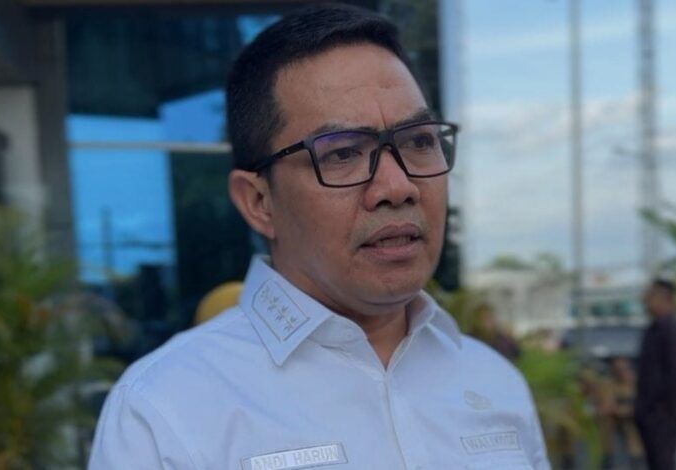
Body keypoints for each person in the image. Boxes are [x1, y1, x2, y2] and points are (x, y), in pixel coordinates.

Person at [88, 4, 549, 469]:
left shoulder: (493, 383)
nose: (397, 186)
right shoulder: (166, 410)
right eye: (343, 153)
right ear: (258, 201)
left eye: (418, 142)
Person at [634, 278, 676, 470]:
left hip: (663, 413)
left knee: (664, 462)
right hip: (650, 411)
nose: (644, 300)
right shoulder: (654, 328)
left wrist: (672, 411)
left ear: (664, 298)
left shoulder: (674, 328)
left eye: (649, 296)